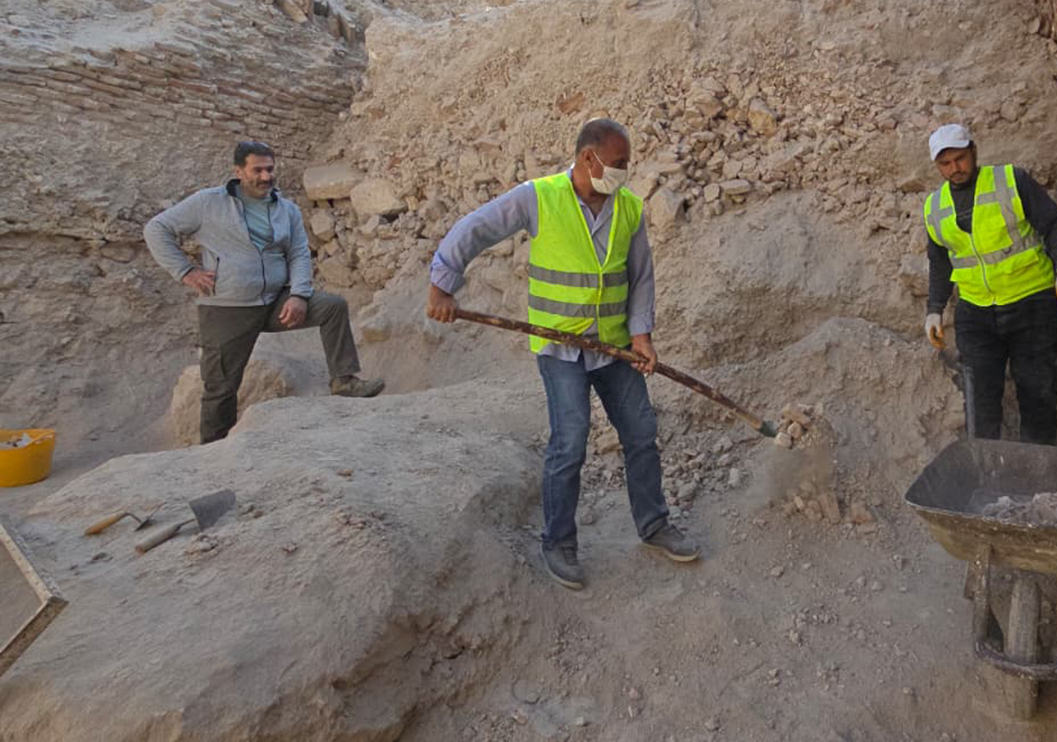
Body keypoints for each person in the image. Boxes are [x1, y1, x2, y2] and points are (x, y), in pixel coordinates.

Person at [425, 118, 698, 590]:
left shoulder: (628, 209)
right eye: (618, 164)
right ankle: (558, 543)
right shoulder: (539, 196)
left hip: (613, 346)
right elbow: (476, 229)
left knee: (641, 433)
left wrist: (641, 336)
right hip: (560, 347)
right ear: (588, 158)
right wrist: (442, 285)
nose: (624, 173)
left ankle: (654, 526)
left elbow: (641, 278)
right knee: (570, 440)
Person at [145, 140, 384, 444]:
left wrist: (298, 294)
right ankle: (214, 451)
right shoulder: (208, 203)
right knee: (221, 387)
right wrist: (186, 271)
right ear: (238, 171)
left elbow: (298, 253)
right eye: (257, 170)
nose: (265, 176)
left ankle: (344, 380)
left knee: (332, 306)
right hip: (227, 309)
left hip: (274, 302)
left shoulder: (286, 209)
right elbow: (156, 229)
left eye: (269, 169)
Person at [922, 123, 1057, 445]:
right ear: (937, 166)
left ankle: (1039, 479)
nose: (955, 168)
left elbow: (1056, 224)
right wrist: (935, 309)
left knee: (1038, 392)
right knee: (979, 400)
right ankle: (989, 478)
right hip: (976, 312)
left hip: (1031, 304)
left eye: (960, 159)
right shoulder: (934, 207)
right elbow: (941, 263)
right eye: (946, 163)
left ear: (974, 151)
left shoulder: (1011, 180)